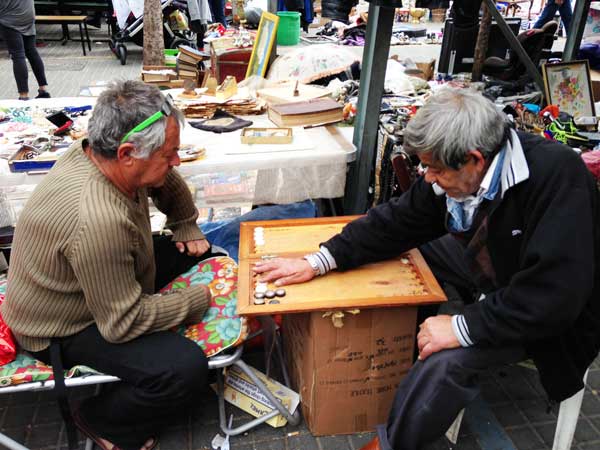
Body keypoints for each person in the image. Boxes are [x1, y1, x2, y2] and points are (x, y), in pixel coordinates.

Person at [253, 88, 600, 450]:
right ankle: (405, 357)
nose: (429, 178)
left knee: (448, 361)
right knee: (414, 254)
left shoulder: (556, 176)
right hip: (499, 271)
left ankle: (394, 442)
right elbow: (397, 221)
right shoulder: (454, 169)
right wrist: (320, 260)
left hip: (549, 314)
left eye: (435, 169)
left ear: (475, 160)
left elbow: (554, 297)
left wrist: (461, 327)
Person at [2, 80, 215, 450]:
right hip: (59, 325)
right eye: (170, 154)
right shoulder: (98, 220)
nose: (176, 161)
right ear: (128, 153)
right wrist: (196, 301)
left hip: (92, 277)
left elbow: (165, 179)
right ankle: (103, 420)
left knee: (201, 252)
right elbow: (123, 323)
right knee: (185, 369)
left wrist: (185, 221)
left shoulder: (95, 151)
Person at [0, 0, 51, 100]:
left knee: (18, 55)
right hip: (28, 14)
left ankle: (24, 95)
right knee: (31, 51)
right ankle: (43, 90)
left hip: (10, 18)